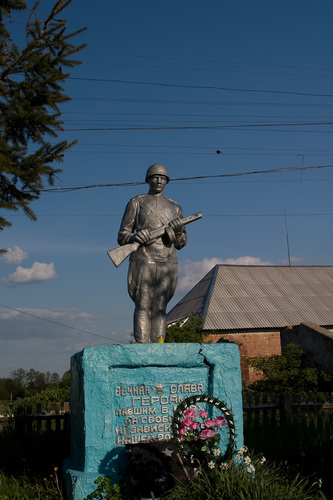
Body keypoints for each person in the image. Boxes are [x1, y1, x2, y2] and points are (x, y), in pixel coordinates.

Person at [118, 164, 187, 343]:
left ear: (167, 181)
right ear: (148, 179)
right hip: (143, 258)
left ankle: (159, 345)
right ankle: (142, 345)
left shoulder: (175, 207)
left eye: (162, 177)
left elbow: (181, 243)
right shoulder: (136, 202)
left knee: (161, 307)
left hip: (167, 261)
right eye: (154, 177)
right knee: (142, 304)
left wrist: (178, 232)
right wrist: (135, 237)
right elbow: (122, 235)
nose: (158, 181)